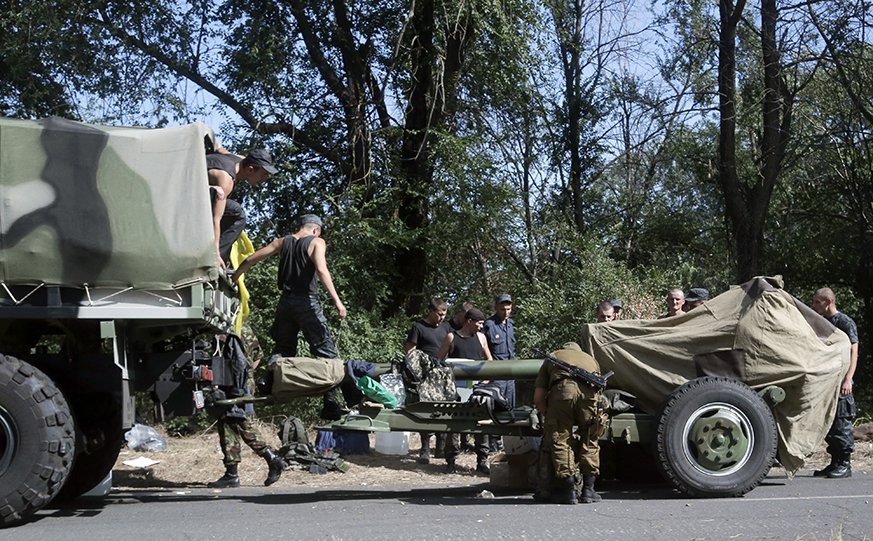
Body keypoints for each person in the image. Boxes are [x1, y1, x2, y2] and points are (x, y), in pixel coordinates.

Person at [232, 214, 348, 420]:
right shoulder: (317, 242)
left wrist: (235, 276)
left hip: (285, 303)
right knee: (327, 352)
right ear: (316, 230)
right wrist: (337, 301)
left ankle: (267, 380)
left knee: (283, 349)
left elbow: (251, 259)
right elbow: (321, 269)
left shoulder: (282, 242)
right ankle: (331, 404)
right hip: (307, 302)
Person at [533, 342, 606, 504]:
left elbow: (538, 399)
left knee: (560, 440)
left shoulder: (553, 357)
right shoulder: (591, 360)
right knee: (590, 438)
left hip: (562, 392)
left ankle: (568, 491)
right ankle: (588, 490)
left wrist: (549, 416)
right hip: (589, 396)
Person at [436, 307, 493, 474]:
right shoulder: (451, 337)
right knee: (453, 425)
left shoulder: (482, 338)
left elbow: (489, 361)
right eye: (480, 323)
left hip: (477, 389)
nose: (481, 327)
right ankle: (451, 461)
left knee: (481, 424)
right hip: (456, 389)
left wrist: (486, 379)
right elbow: (438, 362)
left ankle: (482, 460)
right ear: (469, 321)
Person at [811, 287, 859, 479]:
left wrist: (848, 379)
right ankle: (835, 462)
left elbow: (854, 351)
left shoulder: (844, 322)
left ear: (828, 302)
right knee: (830, 423)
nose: (814, 306)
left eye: (817, 302)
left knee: (841, 422)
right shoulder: (822, 322)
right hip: (827, 380)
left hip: (841, 380)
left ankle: (845, 464)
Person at [207, 147, 277, 270]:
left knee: (233, 208)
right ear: (250, 169)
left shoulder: (241, 160)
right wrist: (215, 253)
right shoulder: (225, 180)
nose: (264, 180)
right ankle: (216, 260)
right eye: (263, 175)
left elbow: (219, 148)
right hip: (183, 195)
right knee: (236, 213)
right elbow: (215, 218)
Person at [404, 297, 450, 464]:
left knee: (444, 410)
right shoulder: (418, 327)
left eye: (444, 314)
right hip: (424, 375)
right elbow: (410, 351)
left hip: (443, 374)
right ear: (430, 311)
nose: (442, 317)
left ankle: (441, 447)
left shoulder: (446, 328)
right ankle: (424, 449)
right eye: (439, 314)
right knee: (426, 411)